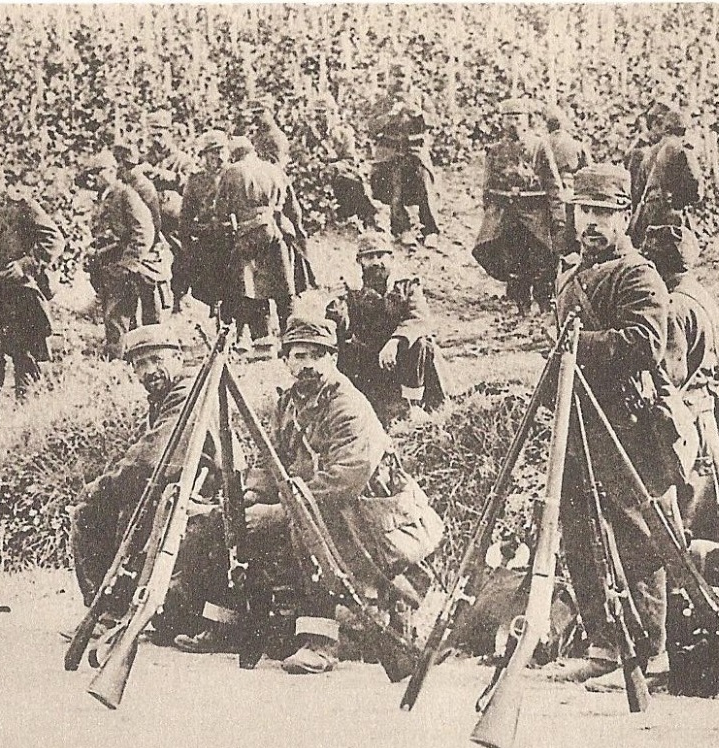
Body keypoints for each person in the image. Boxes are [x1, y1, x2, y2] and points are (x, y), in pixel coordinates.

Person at [173, 315, 441, 674]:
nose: (308, 364)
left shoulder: (348, 406)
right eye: (299, 356)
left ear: (333, 358)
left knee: (311, 527)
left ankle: (320, 642)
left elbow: (344, 480)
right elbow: (276, 464)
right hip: (315, 502)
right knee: (229, 520)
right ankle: (229, 624)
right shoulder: (290, 404)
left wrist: (280, 512)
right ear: (285, 361)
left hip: (373, 516)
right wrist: (253, 495)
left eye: (318, 354)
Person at [541, 164, 675, 686]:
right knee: (578, 532)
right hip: (575, 418)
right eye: (584, 211)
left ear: (624, 217)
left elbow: (645, 343)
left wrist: (575, 348)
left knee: (635, 534)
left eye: (604, 213)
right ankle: (604, 645)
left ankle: (651, 654)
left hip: (623, 419)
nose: (592, 223)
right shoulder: (570, 275)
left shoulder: (637, 274)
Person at [69, 323, 202, 612]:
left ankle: (115, 607)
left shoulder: (189, 391)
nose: (149, 370)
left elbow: (150, 458)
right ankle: (106, 608)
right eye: (140, 364)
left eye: (157, 360)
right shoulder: (164, 396)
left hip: (202, 489)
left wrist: (101, 487)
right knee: (91, 512)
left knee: (112, 505)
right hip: (171, 486)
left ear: (177, 358)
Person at [639, 222, 719, 554]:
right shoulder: (700, 295)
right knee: (714, 513)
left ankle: (688, 597)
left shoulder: (674, 307)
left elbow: (670, 374)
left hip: (687, 425)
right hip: (707, 415)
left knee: (686, 516)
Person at [0, 151, 62, 415]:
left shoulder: (22, 206)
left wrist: (24, 266)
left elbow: (53, 240)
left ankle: (24, 412)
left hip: (17, 294)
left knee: (23, 354)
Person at [326, 230, 443, 426]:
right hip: (366, 357)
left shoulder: (407, 286)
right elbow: (342, 328)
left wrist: (395, 341)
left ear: (391, 258)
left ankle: (413, 403)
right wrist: (338, 302)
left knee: (421, 342)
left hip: (404, 358)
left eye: (381, 256)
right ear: (360, 261)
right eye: (369, 257)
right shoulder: (352, 288)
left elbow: (419, 318)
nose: (376, 262)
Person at [472, 97, 563, 316]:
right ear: (501, 122)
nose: (513, 122)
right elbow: (488, 186)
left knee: (542, 259)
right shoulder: (495, 150)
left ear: (527, 120)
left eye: (517, 117)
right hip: (508, 213)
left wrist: (558, 214)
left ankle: (544, 306)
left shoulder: (539, 145)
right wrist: (492, 212)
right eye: (508, 118)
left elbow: (552, 182)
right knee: (515, 261)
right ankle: (522, 307)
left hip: (534, 212)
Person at [78, 150, 167, 359]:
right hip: (108, 267)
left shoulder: (126, 194)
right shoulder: (105, 197)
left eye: (97, 172)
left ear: (110, 171)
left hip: (123, 268)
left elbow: (144, 231)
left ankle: (119, 362)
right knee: (114, 317)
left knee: (117, 317)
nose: (92, 178)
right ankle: (124, 359)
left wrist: (128, 264)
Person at [214, 137, 298, 343]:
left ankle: (260, 337)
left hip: (249, 233)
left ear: (234, 154)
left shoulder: (232, 171)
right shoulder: (273, 169)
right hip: (275, 229)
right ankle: (291, 335)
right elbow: (287, 202)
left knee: (250, 287)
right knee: (282, 288)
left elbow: (221, 209)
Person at [368, 62, 440, 246]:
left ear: (410, 78)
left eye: (403, 76)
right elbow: (372, 127)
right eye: (396, 77)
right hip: (390, 151)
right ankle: (402, 229)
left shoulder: (421, 98)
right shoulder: (383, 102)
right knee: (393, 181)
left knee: (424, 179)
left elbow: (435, 122)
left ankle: (430, 229)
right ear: (389, 79)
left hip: (415, 149)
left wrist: (418, 114)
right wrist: (389, 116)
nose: (399, 81)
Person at [175, 130, 231, 314]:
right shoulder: (196, 180)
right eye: (213, 152)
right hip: (207, 239)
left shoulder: (234, 175)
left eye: (222, 151)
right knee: (207, 287)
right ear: (204, 156)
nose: (219, 156)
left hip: (233, 238)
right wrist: (188, 245)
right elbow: (185, 217)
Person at [630, 108, 704, 243]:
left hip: (647, 211)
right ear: (683, 131)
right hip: (669, 212)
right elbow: (696, 187)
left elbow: (636, 190)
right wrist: (680, 202)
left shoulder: (649, 153)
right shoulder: (682, 149)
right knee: (674, 256)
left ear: (665, 129)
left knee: (650, 254)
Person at [313, 96, 379, 230]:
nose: (319, 117)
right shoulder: (310, 133)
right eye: (317, 112)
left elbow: (349, 160)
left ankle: (358, 215)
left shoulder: (344, 134)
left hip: (337, 174)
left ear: (332, 113)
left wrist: (333, 167)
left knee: (352, 182)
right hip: (314, 173)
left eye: (323, 112)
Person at [544, 106, 590, 258]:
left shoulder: (542, 144)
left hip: (547, 193)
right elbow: (589, 171)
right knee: (570, 229)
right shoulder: (576, 145)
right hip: (570, 192)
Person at [247, 99, 291, 169]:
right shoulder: (255, 136)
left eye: (261, 112)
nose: (257, 116)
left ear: (271, 113)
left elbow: (279, 164)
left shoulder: (277, 136)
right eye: (254, 113)